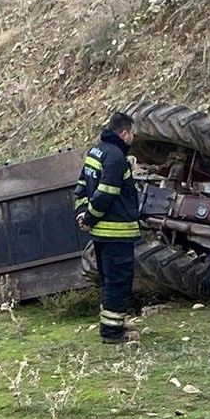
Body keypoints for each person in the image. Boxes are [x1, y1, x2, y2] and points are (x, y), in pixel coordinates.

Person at [74, 112, 141, 344]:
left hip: (101, 235)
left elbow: (81, 186)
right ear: (124, 133)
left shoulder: (96, 152)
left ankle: (115, 323)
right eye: (131, 133)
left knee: (109, 280)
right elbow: (106, 194)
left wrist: (82, 214)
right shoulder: (115, 158)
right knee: (118, 282)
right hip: (117, 234)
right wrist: (91, 217)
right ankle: (112, 333)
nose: (132, 137)